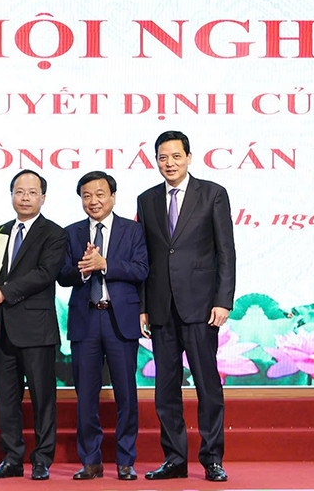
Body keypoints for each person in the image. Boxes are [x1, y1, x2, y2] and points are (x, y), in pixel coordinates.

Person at [136, 131, 235, 483]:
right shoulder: (146, 199)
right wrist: (144, 306)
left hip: (202, 307)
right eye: (163, 157)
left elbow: (226, 251)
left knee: (208, 387)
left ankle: (212, 459)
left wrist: (223, 300)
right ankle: (175, 459)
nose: (170, 163)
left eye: (176, 156)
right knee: (166, 389)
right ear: (156, 160)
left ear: (189, 157)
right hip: (162, 308)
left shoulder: (212, 194)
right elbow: (145, 257)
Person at [0, 169, 67, 481]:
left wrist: (3, 292)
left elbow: (45, 273)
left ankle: (42, 459)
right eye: (19, 192)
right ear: (11, 195)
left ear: (43, 197)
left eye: (32, 193)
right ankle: (12, 458)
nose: (25, 198)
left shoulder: (54, 233)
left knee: (43, 400)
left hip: (37, 330)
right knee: (6, 399)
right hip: (2, 328)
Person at [57, 171, 148, 481]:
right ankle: (90, 461)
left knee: (126, 393)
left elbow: (141, 269)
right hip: (85, 320)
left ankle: (125, 460)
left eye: (99, 194)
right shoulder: (71, 233)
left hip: (120, 320)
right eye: (86, 196)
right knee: (86, 394)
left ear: (113, 197)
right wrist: (84, 270)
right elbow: (62, 275)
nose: (93, 201)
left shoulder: (133, 230)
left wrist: (105, 264)